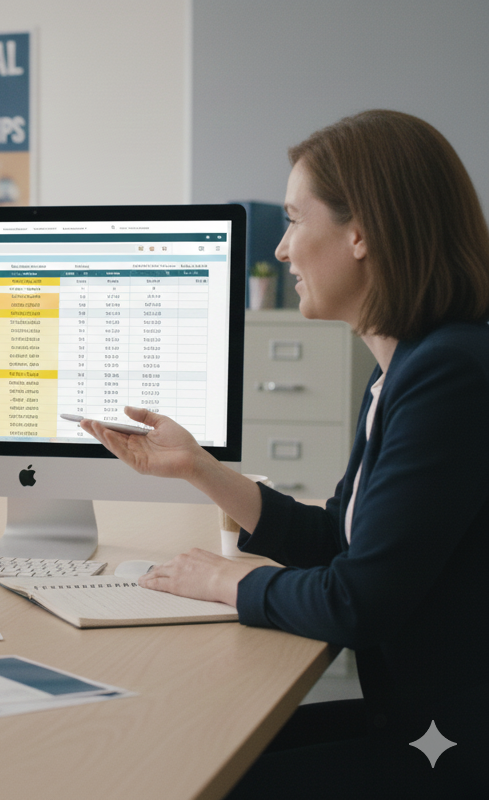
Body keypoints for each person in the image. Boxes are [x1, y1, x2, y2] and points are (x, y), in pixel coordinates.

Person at [81, 110, 488, 796]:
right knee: (194, 752)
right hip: (420, 724)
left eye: (297, 219)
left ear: (361, 233)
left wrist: (224, 582)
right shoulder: (407, 368)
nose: (282, 248)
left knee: (188, 772)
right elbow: (339, 540)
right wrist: (199, 468)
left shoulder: (449, 375)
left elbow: (359, 602)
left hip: (449, 753)